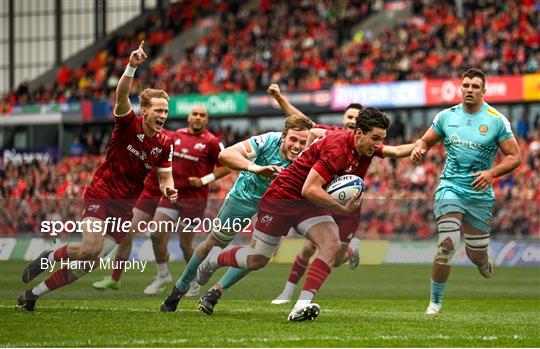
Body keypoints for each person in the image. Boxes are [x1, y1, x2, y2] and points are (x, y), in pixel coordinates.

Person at [193, 108, 413, 321]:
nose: (378, 144)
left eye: (381, 139)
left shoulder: (360, 149)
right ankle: (214, 259)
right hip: (282, 197)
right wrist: (341, 208)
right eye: (375, 138)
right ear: (358, 133)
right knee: (257, 259)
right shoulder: (338, 148)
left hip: (307, 203)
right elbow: (310, 188)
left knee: (331, 244)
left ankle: (302, 305)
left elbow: (315, 136)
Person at [17, 41, 178, 311]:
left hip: (125, 208)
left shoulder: (165, 143)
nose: (163, 115)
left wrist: (169, 189)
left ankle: (32, 294)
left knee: (89, 263)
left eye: (166, 110)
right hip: (102, 195)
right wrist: (131, 66)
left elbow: (165, 178)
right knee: (90, 248)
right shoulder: (127, 125)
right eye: (158, 110)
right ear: (145, 111)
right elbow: (121, 96)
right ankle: (50, 255)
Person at [159, 113, 313, 312]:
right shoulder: (268, 141)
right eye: (293, 139)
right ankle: (179, 289)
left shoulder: (310, 154)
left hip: (275, 207)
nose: (297, 146)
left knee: (258, 257)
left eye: (303, 142)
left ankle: (215, 292)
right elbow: (226, 155)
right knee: (214, 242)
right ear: (283, 136)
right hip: (244, 197)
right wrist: (256, 168)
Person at [410, 68, 521, 315]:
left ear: (483, 90)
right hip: (450, 187)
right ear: (461, 88)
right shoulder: (445, 117)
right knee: (447, 243)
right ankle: (434, 303)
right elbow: (424, 141)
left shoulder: (496, 120)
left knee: (475, 254)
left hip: (479, 195)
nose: (469, 89)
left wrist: (492, 173)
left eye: (474, 86)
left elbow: (515, 156)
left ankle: (483, 262)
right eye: (466, 85)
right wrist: (419, 149)